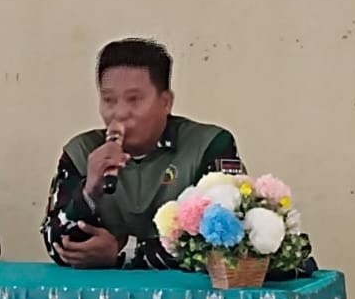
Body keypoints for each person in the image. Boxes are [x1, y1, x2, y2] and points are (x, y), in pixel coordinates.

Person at [43, 38, 242, 270]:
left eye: (134, 100)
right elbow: (56, 244)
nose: (120, 113)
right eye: (109, 100)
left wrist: (124, 252)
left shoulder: (209, 145)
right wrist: (88, 193)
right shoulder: (81, 152)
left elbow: (226, 240)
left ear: (166, 102)